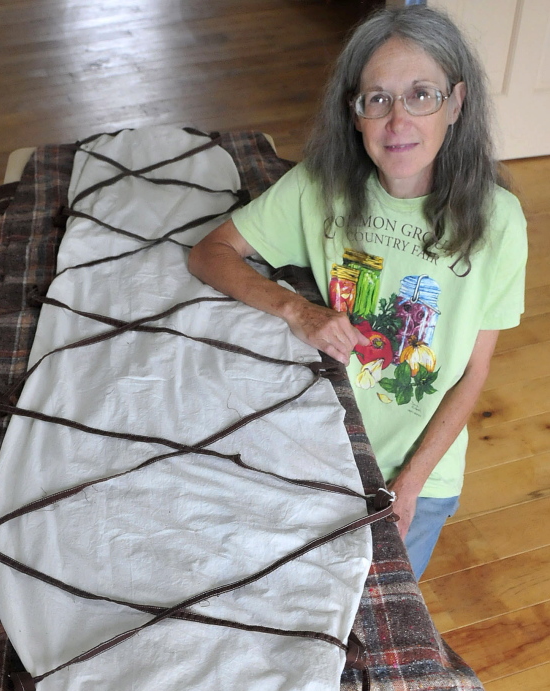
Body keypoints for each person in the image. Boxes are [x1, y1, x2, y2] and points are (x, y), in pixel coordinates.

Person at [188, 5, 527, 580]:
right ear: (355, 112)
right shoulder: (318, 186)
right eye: (378, 99)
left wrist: (411, 483)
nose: (398, 122)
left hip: (423, 473)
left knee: (377, 611)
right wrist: (297, 309)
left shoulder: (499, 221)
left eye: (422, 94)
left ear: (457, 103)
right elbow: (209, 253)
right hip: (320, 443)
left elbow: (473, 373)